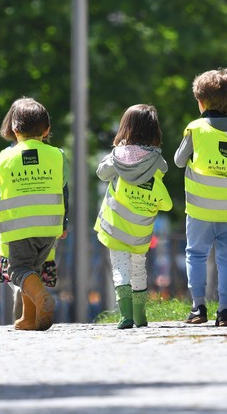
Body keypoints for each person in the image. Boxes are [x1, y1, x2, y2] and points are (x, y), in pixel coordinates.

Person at [174, 68, 227, 327]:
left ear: (201, 101)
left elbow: (178, 160)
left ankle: (198, 307)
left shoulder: (196, 129)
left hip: (200, 210)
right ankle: (225, 311)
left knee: (196, 254)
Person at [0, 97, 69, 331]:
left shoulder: (4, 159)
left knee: (19, 270)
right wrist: (64, 221)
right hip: (49, 227)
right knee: (32, 269)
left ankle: (42, 297)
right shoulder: (57, 155)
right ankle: (29, 318)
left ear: (14, 130)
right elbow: (63, 186)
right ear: (47, 130)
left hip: (19, 226)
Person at [95, 104, 173, 329]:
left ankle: (125, 316)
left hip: (117, 226)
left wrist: (118, 153)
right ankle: (141, 316)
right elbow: (163, 171)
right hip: (141, 229)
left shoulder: (117, 156)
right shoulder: (157, 159)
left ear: (125, 128)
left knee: (121, 268)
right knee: (139, 267)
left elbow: (101, 173)